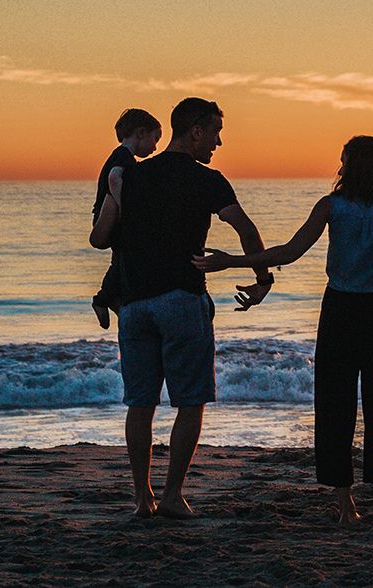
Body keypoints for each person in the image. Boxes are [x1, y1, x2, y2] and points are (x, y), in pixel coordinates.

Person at [192, 136, 373, 528]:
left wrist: (235, 261)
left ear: (349, 165)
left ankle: (347, 508)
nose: (339, 165)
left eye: (343, 160)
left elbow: (289, 252)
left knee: (335, 405)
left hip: (342, 309)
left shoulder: (334, 206)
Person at [89, 97, 275, 519]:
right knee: (190, 401)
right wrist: (263, 280)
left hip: (134, 304)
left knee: (141, 404)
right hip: (181, 299)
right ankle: (172, 496)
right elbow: (245, 228)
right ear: (194, 131)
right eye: (214, 132)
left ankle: (142, 499)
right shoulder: (207, 180)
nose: (218, 142)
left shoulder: (129, 176)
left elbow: (102, 237)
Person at [90, 108, 162, 329]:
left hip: (112, 217)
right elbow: (114, 179)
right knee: (123, 258)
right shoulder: (123, 156)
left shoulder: (123, 156)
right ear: (141, 133)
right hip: (110, 218)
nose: (155, 147)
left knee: (122, 258)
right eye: (155, 138)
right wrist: (128, 208)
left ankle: (109, 298)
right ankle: (104, 298)